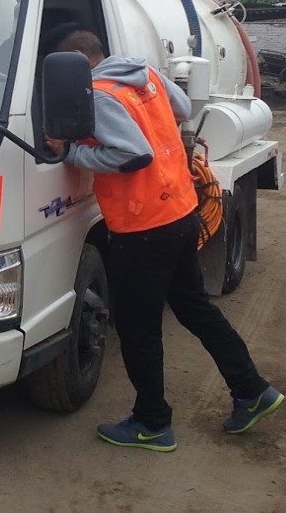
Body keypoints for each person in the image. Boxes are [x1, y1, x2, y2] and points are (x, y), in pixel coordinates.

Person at [44, 30, 283, 452]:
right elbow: (181, 108)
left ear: (80, 62)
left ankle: (152, 421)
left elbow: (135, 154)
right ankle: (252, 391)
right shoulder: (144, 75)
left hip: (143, 228)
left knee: (138, 329)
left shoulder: (97, 96)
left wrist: (71, 153)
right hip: (178, 211)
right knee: (196, 309)